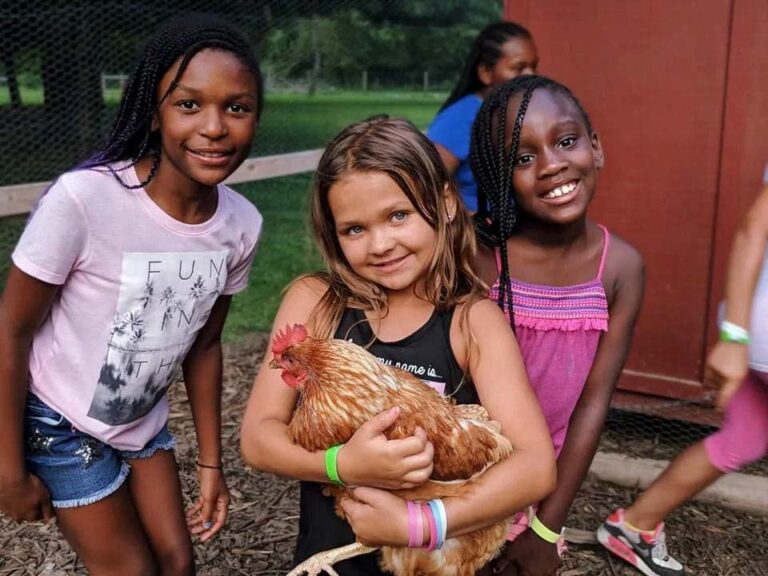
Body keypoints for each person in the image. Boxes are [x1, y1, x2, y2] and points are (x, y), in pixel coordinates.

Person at [0, 13, 264, 575]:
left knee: (178, 565)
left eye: (236, 107)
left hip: (141, 423)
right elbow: (12, 328)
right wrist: (8, 469)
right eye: (189, 104)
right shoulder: (85, 200)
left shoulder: (241, 225)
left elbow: (207, 346)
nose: (215, 127)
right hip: (58, 421)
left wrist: (211, 466)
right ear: (153, 110)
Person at [240, 116, 556, 575]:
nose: (381, 244)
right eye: (354, 229)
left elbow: (535, 466)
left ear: (446, 203)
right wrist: (341, 464)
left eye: (397, 215)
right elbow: (257, 438)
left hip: (434, 558)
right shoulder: (315, 302)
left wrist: (418, 523)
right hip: (331, 562)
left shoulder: (472, 323)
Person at [471, 75, 645, 576]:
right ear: (497, 175)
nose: (551, 165)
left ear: (595, 147)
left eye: (566, 141)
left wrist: (546, 528)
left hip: (537, 491)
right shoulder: (478, 256)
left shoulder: (620, 269)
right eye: (522, 159)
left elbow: (593, 402)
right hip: (458, 482)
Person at [597, 167, 768, 576]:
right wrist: (734, 336)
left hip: (755, 326)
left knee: (743, 438)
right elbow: (753, 230)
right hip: (756, 331)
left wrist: (738, 334)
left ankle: (634, 526)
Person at [427, 21, 538, 213]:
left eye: (533, 66)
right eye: (518, 68)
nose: (530, 76)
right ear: (486, 73)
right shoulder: (459, 120)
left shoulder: (520, 113)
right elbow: (426, 188)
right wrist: (471, 226)